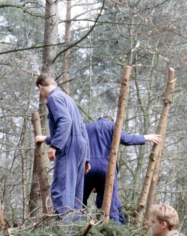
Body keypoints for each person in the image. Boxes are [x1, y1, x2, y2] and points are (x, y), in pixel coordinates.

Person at [81, 116, 161, 223]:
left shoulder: (87, 127)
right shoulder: (114, 126)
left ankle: (77, 227)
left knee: (79, 202)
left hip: (87, 167)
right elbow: (126, 139)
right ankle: (115, 231)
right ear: (111, 121)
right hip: (107, 169)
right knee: (112, 206)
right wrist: (145, 137)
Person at [34, 74, 90, 218]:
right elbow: (81, 128)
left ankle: (64, 232)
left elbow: (65, 122)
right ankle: (76, 230)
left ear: (41, 87)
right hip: (80, 146)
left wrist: (54, 146)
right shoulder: (67, 98)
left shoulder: (53, 97)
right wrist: (86, 158)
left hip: (68, 147)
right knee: (76, 194)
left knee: (62, 190)